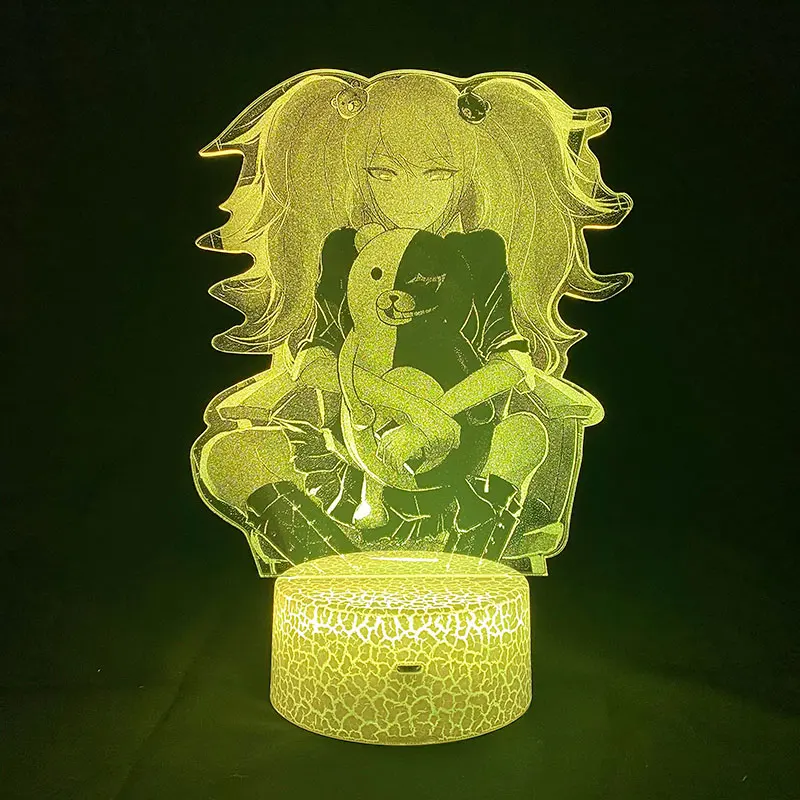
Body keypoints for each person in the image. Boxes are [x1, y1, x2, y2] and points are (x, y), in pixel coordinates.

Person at [190, 70, 632, 575]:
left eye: (437, 175)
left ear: (466, 177)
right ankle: (336, 568)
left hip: (465, 445)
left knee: (526, 436)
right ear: (360, 173)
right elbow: (316, 354)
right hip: (352, 443)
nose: (410, 195)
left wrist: (434, 416)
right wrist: (389, 403)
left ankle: (468, 557)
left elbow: (511, 361)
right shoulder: (343, 249)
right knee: (228, 457)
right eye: (385, 173)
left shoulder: (481, 253)